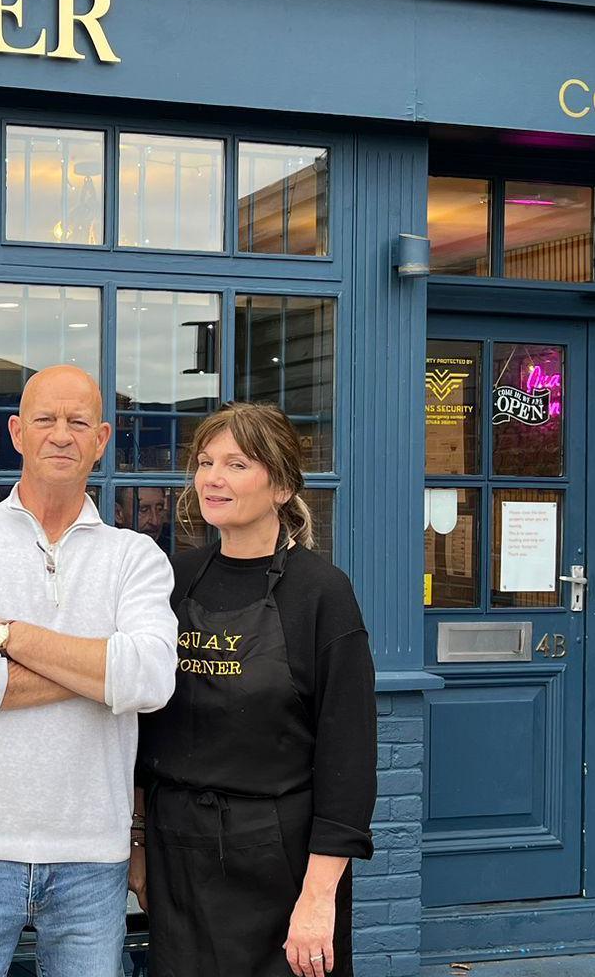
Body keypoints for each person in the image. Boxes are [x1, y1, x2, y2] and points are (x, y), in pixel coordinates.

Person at [0, 365, 179, 976]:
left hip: (92, 855)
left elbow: (151, 680)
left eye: (78, 422)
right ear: (17, 432)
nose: (61, 434)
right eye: (45, 419)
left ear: (102, 439)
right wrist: (97, 671)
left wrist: (12, 637)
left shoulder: (134, 556)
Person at [134, 402, 377, 977]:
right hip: (179, 854)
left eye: (237, 464)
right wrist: (139, 844)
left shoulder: (321, 593)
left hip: (282, 862)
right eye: (205, 462)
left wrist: (318, 900)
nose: (213, 478)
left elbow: (348, 759)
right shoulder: (172, 579)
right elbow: (142, 726)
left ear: (283, 485)